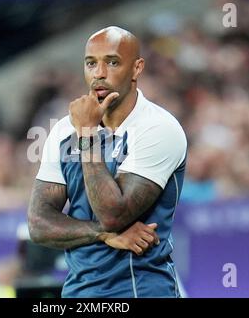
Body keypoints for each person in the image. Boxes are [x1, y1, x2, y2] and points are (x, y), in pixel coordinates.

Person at [27, 26, 187, 298]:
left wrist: (88, 134)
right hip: (78, 293)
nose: (99, 73)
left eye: (112, 62)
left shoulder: (158, 128)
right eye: (91, 63)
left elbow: (113, 214)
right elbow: (39, 224)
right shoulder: (64, 130)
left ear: (137, 68)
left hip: (140, 290)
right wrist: (101, 234)